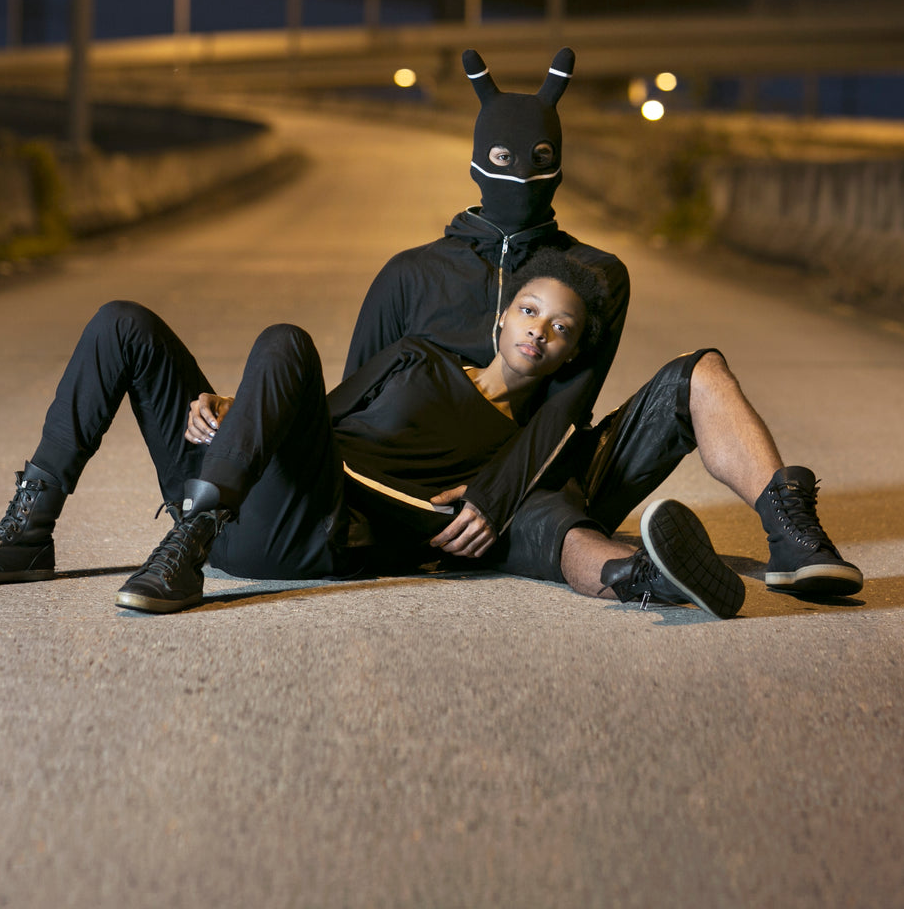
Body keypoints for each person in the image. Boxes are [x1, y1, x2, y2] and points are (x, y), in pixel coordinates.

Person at [0, 251, 746, 618]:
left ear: (572, 353)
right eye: (530, 311)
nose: (540, 330)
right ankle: (31, 527)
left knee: (284, 334)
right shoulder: (413, 353)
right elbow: (316, 409)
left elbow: (537, 525)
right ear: (502, 317)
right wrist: (233, 405)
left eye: (560, 328)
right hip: (254, 482)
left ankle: (192, 542)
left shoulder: (522, 449)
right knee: (123, 324)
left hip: (303, 531)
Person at [344, 47, 863, 600]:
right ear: (476, 160)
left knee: (703, 373)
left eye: (540, 155)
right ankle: (654, 578)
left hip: (551, 470)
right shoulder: (410, 274)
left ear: (559, 160)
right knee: (559, 528)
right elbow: (359, 414)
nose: (520, 173)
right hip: (437, 504)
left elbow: (568, 407)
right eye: (501, 155)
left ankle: (794, 538)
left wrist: (497, 494)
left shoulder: (593, 276)